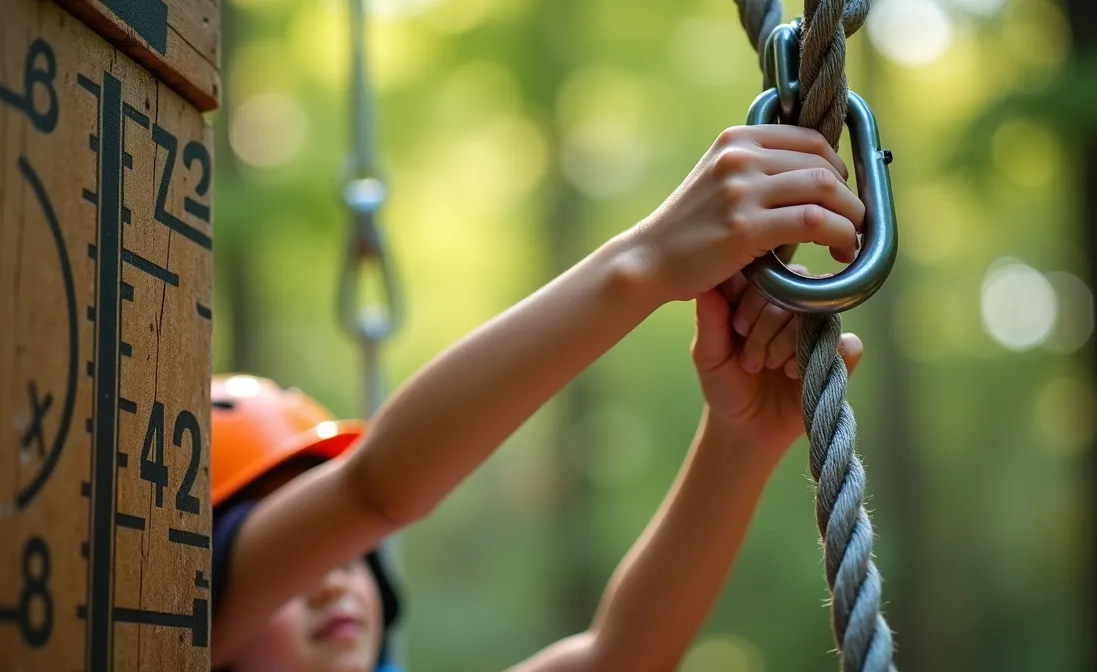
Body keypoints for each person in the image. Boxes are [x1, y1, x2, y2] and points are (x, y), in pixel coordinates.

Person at [211, 124, 869, 670]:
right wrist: (644, 262)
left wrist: (740, 441)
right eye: (303, 545)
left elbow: (616, 657)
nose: (334, 579)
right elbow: (374, 491)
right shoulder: (154, 629)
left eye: (350, 556)